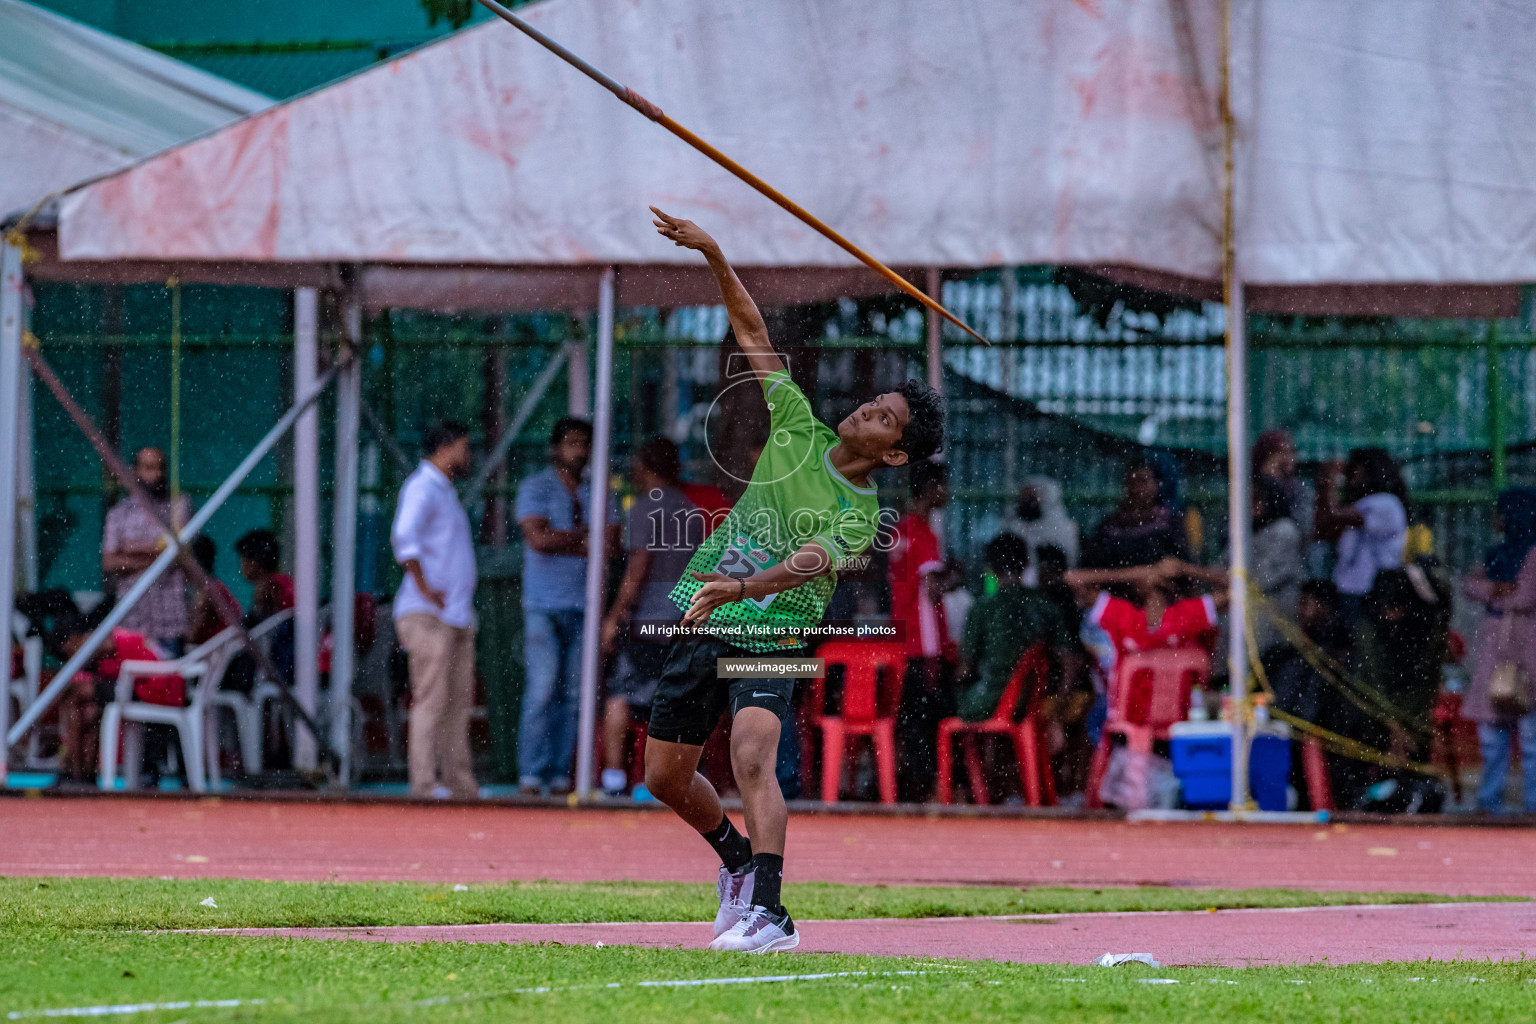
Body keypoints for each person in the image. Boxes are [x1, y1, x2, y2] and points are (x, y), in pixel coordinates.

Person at [641, 207, 943, 954]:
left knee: (750, 752)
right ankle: (738, 865)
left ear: (895, 454)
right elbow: (753, 333)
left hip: (769, 631)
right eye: (874, 403)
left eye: (884, 418)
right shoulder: (799, 424)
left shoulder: (860, 510)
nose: (867, 409)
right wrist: (714, 248)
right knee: (664, 775)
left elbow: (811, 563)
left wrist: (741, 589)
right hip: (709, 615)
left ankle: (771, 914)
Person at [515, 416, 620, 795]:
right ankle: (530, 774)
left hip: (585, 605)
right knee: (542, 687)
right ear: (555, 449)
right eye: (572, 443)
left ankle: (561, 774)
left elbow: (609, 546)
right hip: (543, 603)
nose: (580, 451)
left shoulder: (600, 494)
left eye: (585, 443)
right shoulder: (535, 487)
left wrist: (570, 540)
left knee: (576, 694)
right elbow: (537, 539)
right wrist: (584, 540)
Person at [598, 438, 700, 796]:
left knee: (620, 695)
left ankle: (613, 778)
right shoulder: (692, 511)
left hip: (648, 621)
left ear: (645, 465)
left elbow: (636, 569)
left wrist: (614, 616)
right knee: (670, 699)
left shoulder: (643, 509)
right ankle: (658, 780)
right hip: (684, 619)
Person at [391, 420, 479, 801]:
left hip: (454, 614)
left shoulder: (443, 491)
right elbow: (404, 539)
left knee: (457, 701)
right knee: (430, 698)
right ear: (446, 447)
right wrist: (426, 589)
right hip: (426, 613)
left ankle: (460, 785)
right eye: (464, 446)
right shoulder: (422, 486)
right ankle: (423, 785)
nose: (468, 455)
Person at [1462, 487, 1536, 814]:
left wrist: (1491, 591)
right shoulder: (1498, 553)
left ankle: (1532, 805)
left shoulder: (1533, 553)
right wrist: (1496, 589)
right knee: (1492, 734)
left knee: (1532, 736)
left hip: (1528, 650)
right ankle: (1490, 801)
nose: (1496, 518)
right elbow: (1470, 585)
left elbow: (1525, 597)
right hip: (1496, 650)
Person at [888, 460, 955, 801]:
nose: (948, 493)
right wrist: (955, 578)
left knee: (908, 715)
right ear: (930, 489)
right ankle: (928, 787)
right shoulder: (925, 534)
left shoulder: (899, 530)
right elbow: (931, 590)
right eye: (944, 486)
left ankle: (905, 785)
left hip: (901, 636)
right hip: (924, 641)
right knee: (927, 716)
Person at [50, 606, 179, 784]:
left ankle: (74, 769)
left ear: (72, 641)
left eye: (68, 653)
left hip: (152, 688)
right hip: (143, 684)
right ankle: (81, 771)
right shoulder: (104, 646)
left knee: (74, 697)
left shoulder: (97, 642)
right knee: (89, 709)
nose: (72, 658)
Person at [955, 534, 1077, 723]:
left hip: (991, 700)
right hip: (1035, 699)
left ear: (990, 568)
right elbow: (1070, 659)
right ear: (1026, 564)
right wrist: (1058, 711)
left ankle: (976, 751)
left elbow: (965, 668)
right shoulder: (1046, 604)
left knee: (947, 702)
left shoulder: (982, 608)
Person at [102, 447, 194, 656]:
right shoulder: (120, 513)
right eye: (150, 468)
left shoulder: (178, 505)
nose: (158, 475)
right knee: (133, 683)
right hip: (133, 617)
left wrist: (130, 549)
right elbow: (110, 563)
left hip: (169, 618)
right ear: (135, 471)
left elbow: (178, 551)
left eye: (161, 468)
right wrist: (159, 555)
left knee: (171, 682)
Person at [1315, 447, 1408, 620]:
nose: (1351, 474)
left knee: (1363, 641)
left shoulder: (1387, 503)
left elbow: (1332, 517)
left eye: (1356, 469)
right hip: (1350, 588)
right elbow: (1324, 528)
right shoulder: (1362, 503)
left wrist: (1329, 479)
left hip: (1372, 590)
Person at [1081, 460, 1190, 571]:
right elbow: (1088, 569)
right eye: (1131, 482)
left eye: (1142, 481)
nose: (1136, 488)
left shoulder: (1169, 522)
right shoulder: (1110, 525)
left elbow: (1185, 566)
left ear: (1157, 485)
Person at [1248, 477, 1304, 655]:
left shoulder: (1284, 530)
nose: (1250, 506)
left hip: (1277, 622)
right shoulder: (1249, 532)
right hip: (1256, 623)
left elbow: (1260, 579)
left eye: (1256, 499)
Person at [998, 476, 1078, 586]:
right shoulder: (1014, 528)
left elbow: (1069, 565)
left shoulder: (1065, 529)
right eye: (1023, 497)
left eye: (1031, 497)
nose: (1025, 502)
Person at [234, 529, 295, 623]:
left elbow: (257, 627)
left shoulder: (267, 586)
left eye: (243, 560)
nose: (241, 566)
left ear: (254, 563)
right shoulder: (286, 581)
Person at [187, 536, 239, 647]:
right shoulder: (215, 585)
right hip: (223, 648)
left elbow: (195, 634)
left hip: (218, 651)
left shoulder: (207, 592)